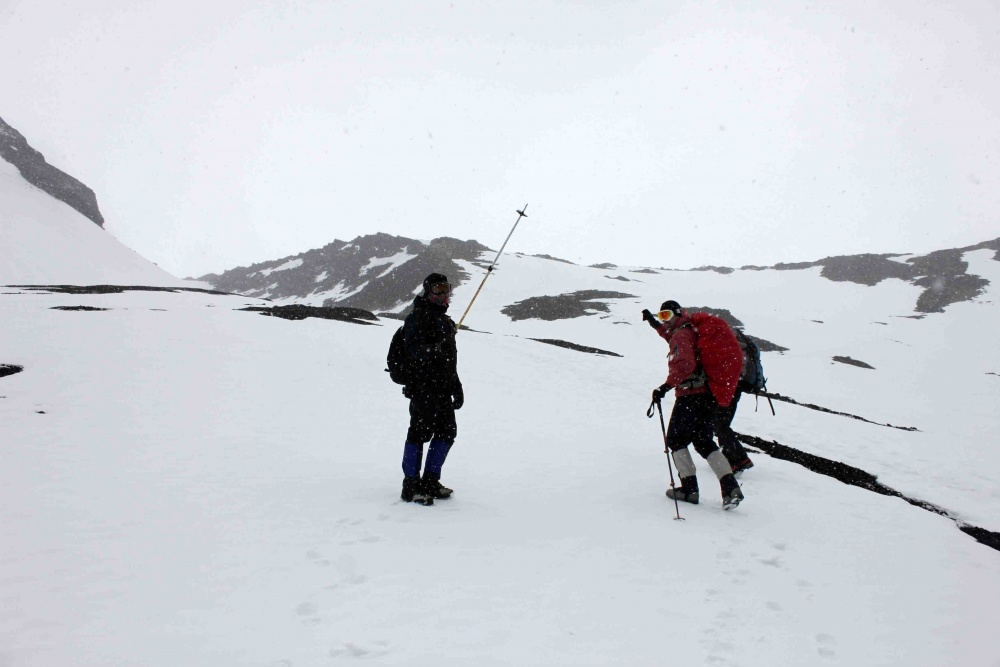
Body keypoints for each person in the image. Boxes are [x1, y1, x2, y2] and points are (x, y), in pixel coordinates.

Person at [642, 300, 744, 509]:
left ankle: (689, 489)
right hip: (707, 396)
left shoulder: (681, 334)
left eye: (667, 315)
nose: (666, 320)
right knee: (703, 441)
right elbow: (671, 336)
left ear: (678, 314)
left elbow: (685, 364)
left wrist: (665, 387)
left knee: (675, 440)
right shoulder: (689, 331)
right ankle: (731, 488)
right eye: (662, 316)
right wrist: (655, 324)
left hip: (691, 395)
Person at [398, 273, 464, 506]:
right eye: (437, 289)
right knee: (418, 435)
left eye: (446, 288)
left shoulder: (444, 321)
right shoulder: (417, 318)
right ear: (427, 292)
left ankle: (430, 481)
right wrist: (436, 347)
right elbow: (414, 353)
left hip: (443, 390)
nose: (443, 294)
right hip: (423, 389)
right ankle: (411, 486)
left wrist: (457, 387)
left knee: (447, 434)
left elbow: (448, 362)